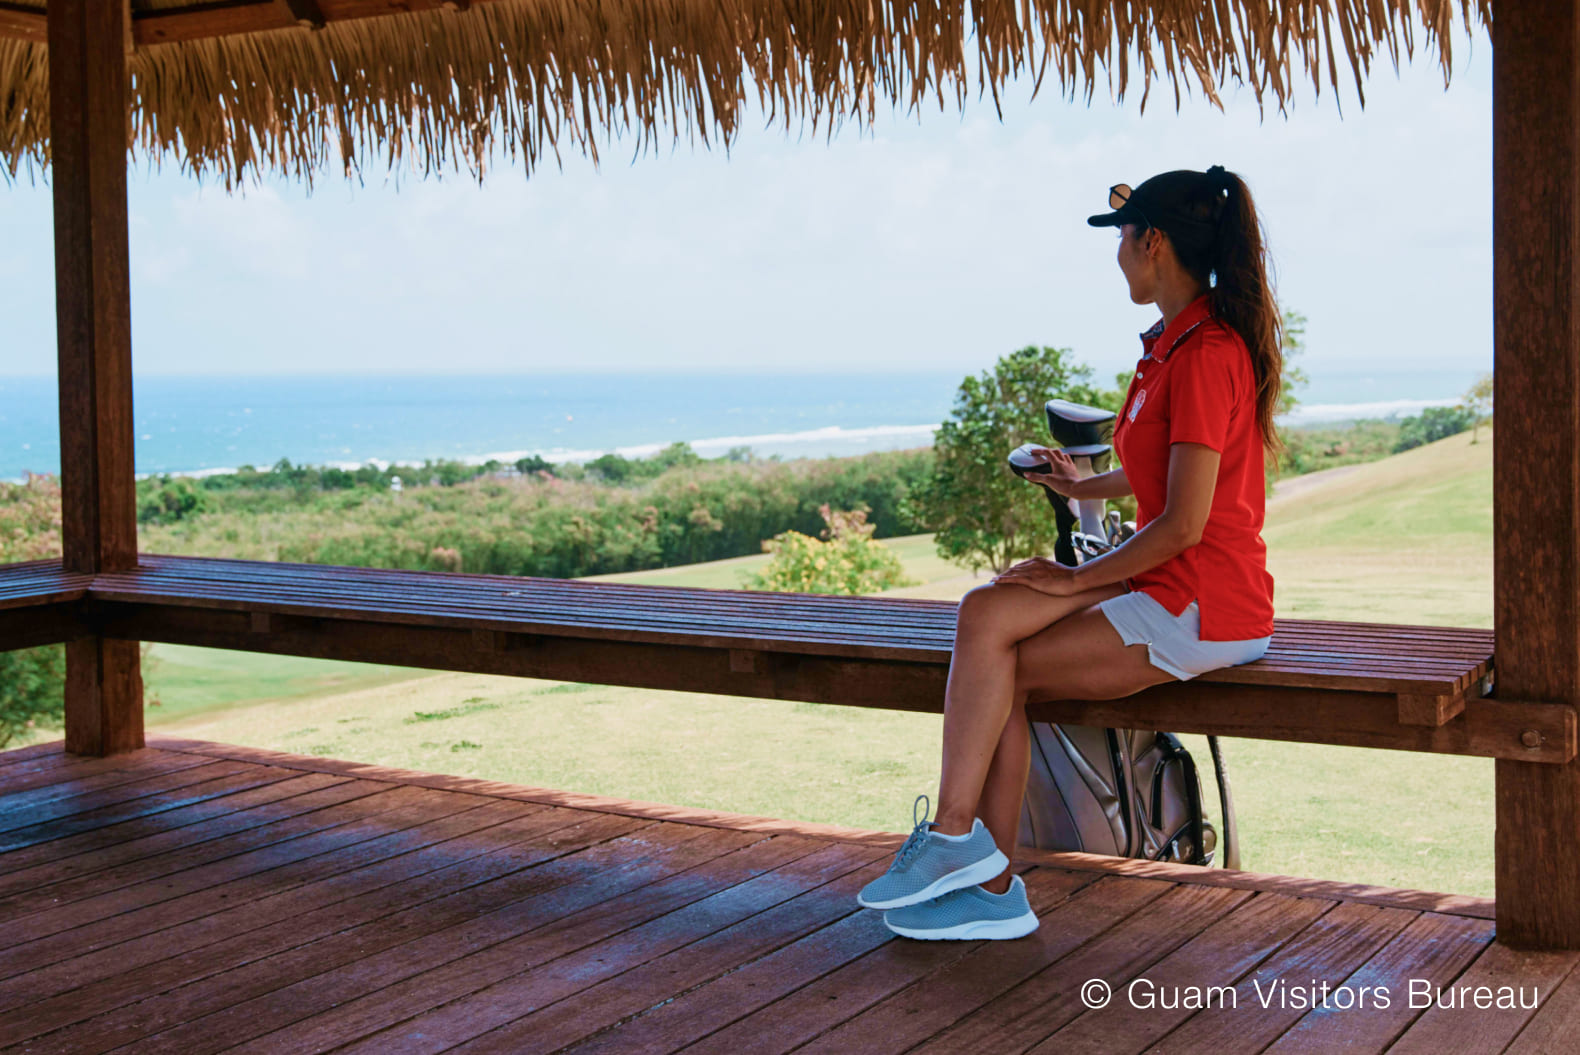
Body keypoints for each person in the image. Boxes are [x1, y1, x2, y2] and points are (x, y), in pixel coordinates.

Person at [857, 165, 1282, 941]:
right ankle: (967, 856)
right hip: (1170, 579)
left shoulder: (1208, 353)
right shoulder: (1172, 346)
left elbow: (1185, 522)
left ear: (1153, 241)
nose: (1116, 252)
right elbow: (1168, 474)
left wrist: (1076, 579)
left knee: (1002, 663)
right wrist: (1084, 478)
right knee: (987, 614)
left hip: (1203, 603)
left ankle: (980, 871)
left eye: (1121, 236)